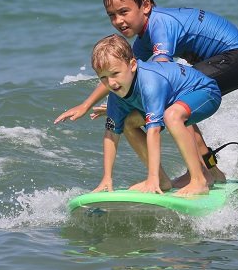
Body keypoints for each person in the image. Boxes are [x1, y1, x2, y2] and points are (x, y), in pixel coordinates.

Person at [55, 0, 238, 188]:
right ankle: (211, 172)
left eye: (123, 12)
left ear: (145, 6)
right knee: (179, 108)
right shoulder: (144, 38)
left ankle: (201, 176)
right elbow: (123, 71)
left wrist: (133, 102)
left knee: (176, 104)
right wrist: (88, 104)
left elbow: (162, 74)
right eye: (111, 15)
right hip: (220, 59)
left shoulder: (160, 26)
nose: (118, 21)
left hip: (236, 58)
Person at [90, 34, 221, 195]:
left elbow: (154, 131)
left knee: (172, 116)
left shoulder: (149, 84)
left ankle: (199, 181)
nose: (110, 83)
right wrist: (107, 178)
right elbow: (111, 133)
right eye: (103, 77)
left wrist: (150, 178)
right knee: (127, 123)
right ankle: (163, 180)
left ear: (132, 65)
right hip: (172, 101)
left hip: (205, 91)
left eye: (115, 73)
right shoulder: (116, 95)